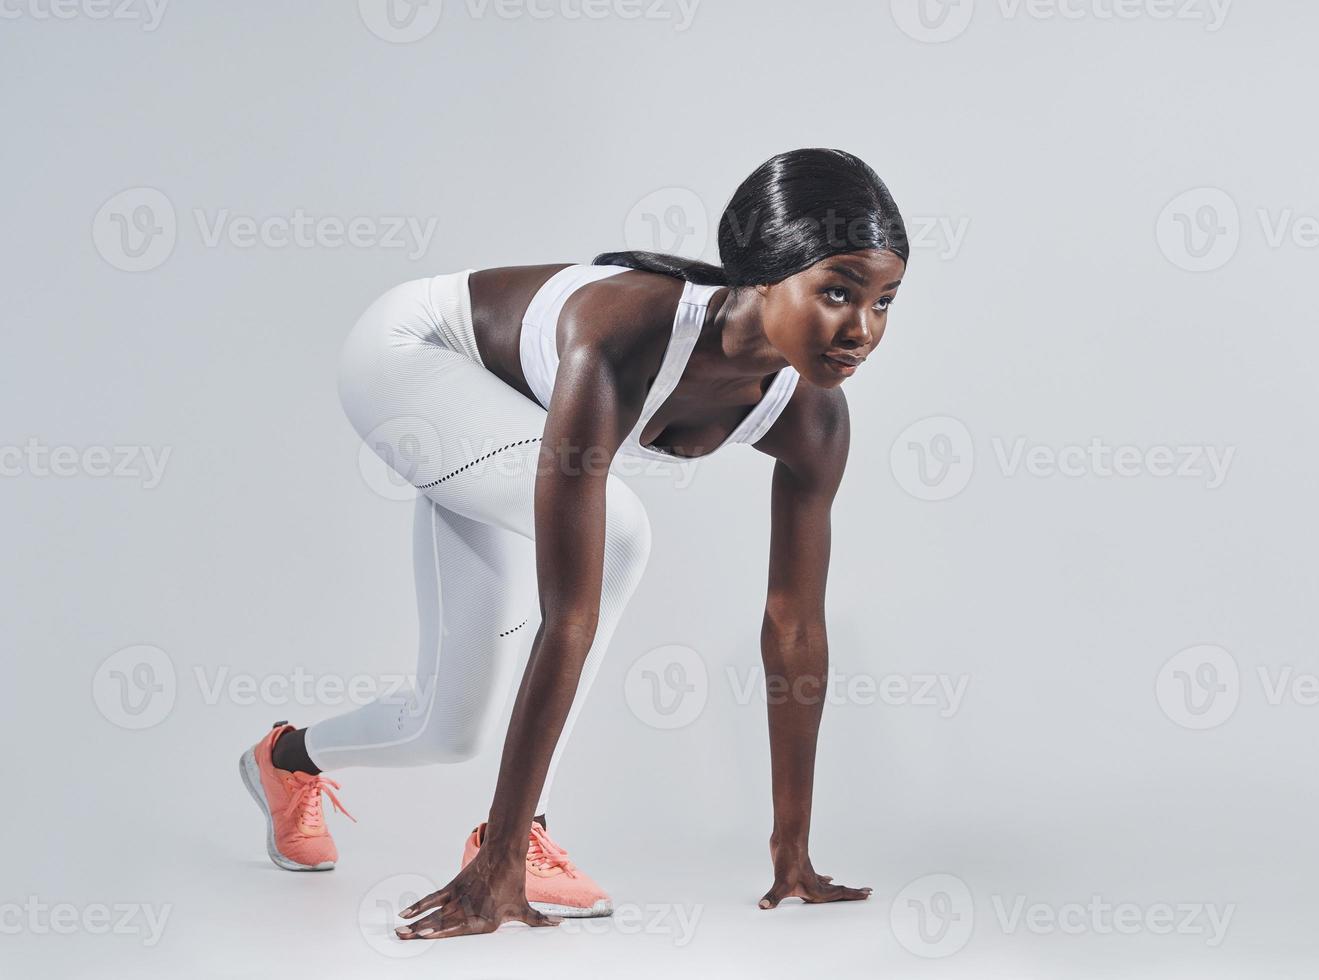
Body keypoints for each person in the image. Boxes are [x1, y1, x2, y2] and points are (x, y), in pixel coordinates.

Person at [236, 147, 909, 936]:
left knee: (449, 729)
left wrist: (790, 854)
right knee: (620, 533)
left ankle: (285, 762)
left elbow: (794, 627)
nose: (862, 331)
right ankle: (515, 842)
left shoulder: (814, 417)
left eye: (886, 301)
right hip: (411, 362)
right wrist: (499, 867)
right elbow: (570, 612)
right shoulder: (621, 334)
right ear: (762, 274)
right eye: (837, 292)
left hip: (497, 426)